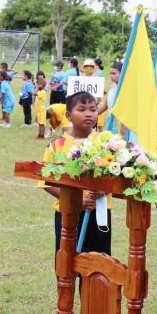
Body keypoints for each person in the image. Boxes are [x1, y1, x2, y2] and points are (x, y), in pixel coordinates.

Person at [38, 91, 111, 271]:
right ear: (69, 115)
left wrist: (104, 189)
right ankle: (65, 299)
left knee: (97, 268)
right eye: (82, 109)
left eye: (93, 109)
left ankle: (93, 300)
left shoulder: (106, 143)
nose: (89, 113)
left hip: (99, 213)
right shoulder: (56, 146)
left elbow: (116, 177)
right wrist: (76, 201)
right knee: (66, 265)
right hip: (67, 214)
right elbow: (47, 183)